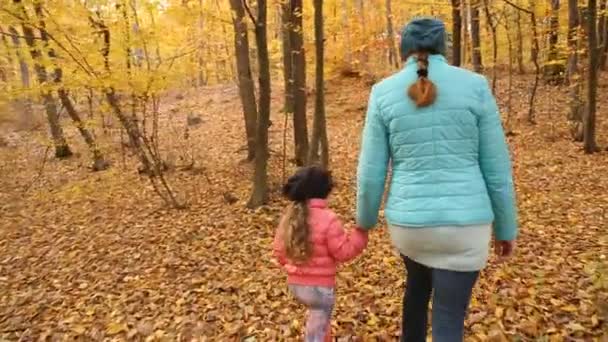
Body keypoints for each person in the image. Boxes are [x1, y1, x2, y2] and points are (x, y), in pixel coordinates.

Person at [356, 18, 518, 342]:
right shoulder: (475, 86)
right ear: (443, 46)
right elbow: (497, 169)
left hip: (410, 226)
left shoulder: (382, 93)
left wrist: (364, 221)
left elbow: (371, 171)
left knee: (417, 289)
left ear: (405, 49)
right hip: (466, 226)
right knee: (448, 315)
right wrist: (506, 228)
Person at [273, 166, 368, 342]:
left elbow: (279, 250)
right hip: (320, 289)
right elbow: (343, 252)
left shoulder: (290, 217)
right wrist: (360, 234)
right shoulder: (328, 218)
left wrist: (291, 265)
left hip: (296, 285)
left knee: (319, 323)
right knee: (316, 328)